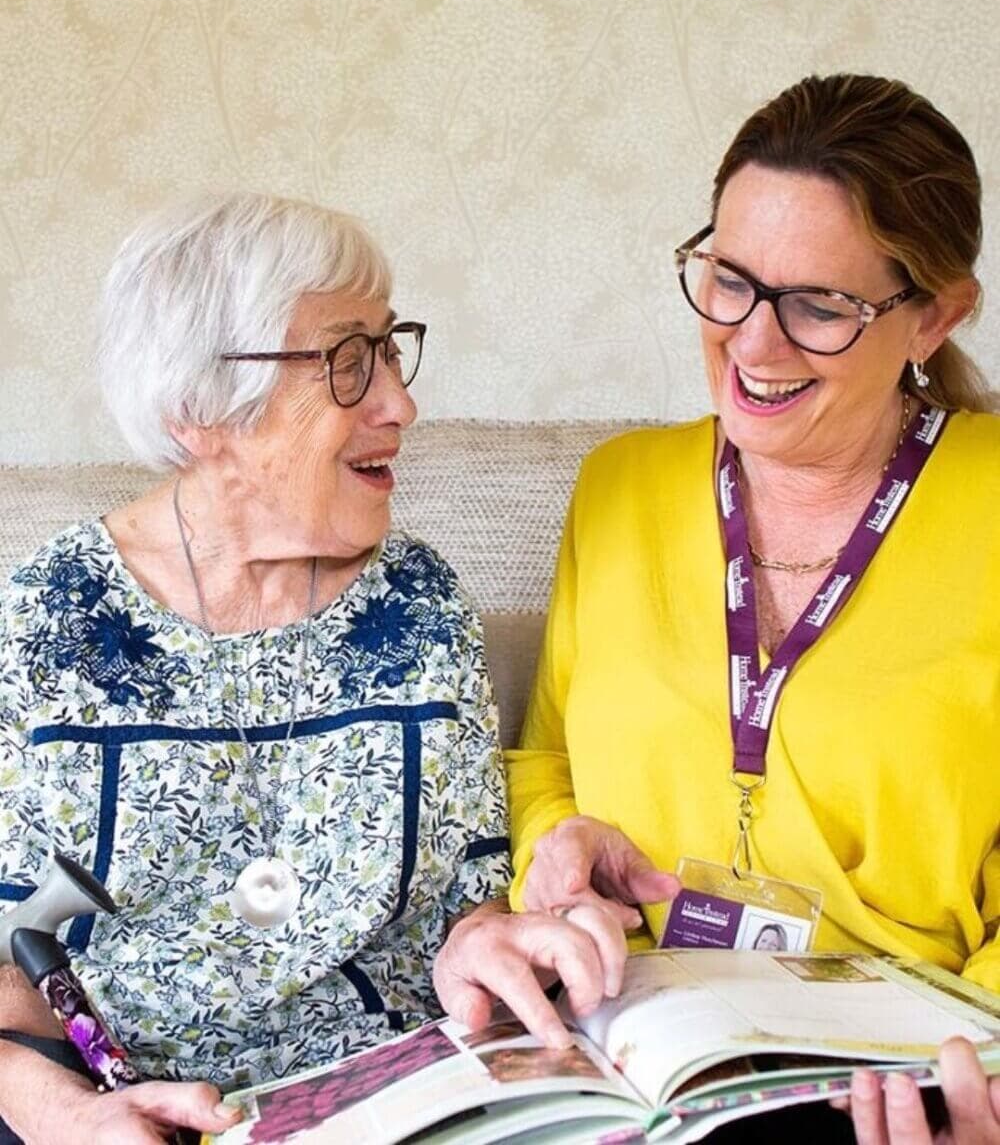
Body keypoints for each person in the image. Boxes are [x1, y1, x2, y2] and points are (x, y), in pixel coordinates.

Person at [0, 193, 613, 1144]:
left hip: (399, 1099)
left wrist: (489, 939)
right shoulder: (49, 620)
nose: (400, 403)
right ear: (202, 409)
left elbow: (466, 902)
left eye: (389, 348)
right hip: (119, 1105)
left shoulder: (412, 601)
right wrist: (61, 1114)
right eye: (346, 361)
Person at [507, 75, 1000, 1143]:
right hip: (635, 1047)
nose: (752, 344)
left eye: (820, 305)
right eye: (730, 280)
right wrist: (557, 849)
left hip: (900, 1072)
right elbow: (543, 760)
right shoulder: (619, 485)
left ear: (936, 313)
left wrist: (983, 1074)